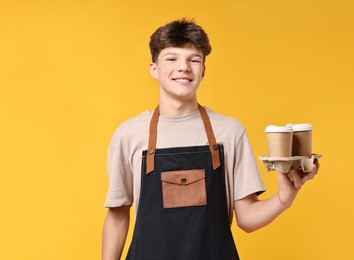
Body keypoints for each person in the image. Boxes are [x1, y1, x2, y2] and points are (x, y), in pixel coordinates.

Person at [102, 18, 319, 260]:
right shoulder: (129, 134)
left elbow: (246, 219)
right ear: (154, 69)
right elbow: (118, 213)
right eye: (172, 58)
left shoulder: (230, 131)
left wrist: (283, 199)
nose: (183, 67)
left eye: (194, 59)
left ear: (203, 70)